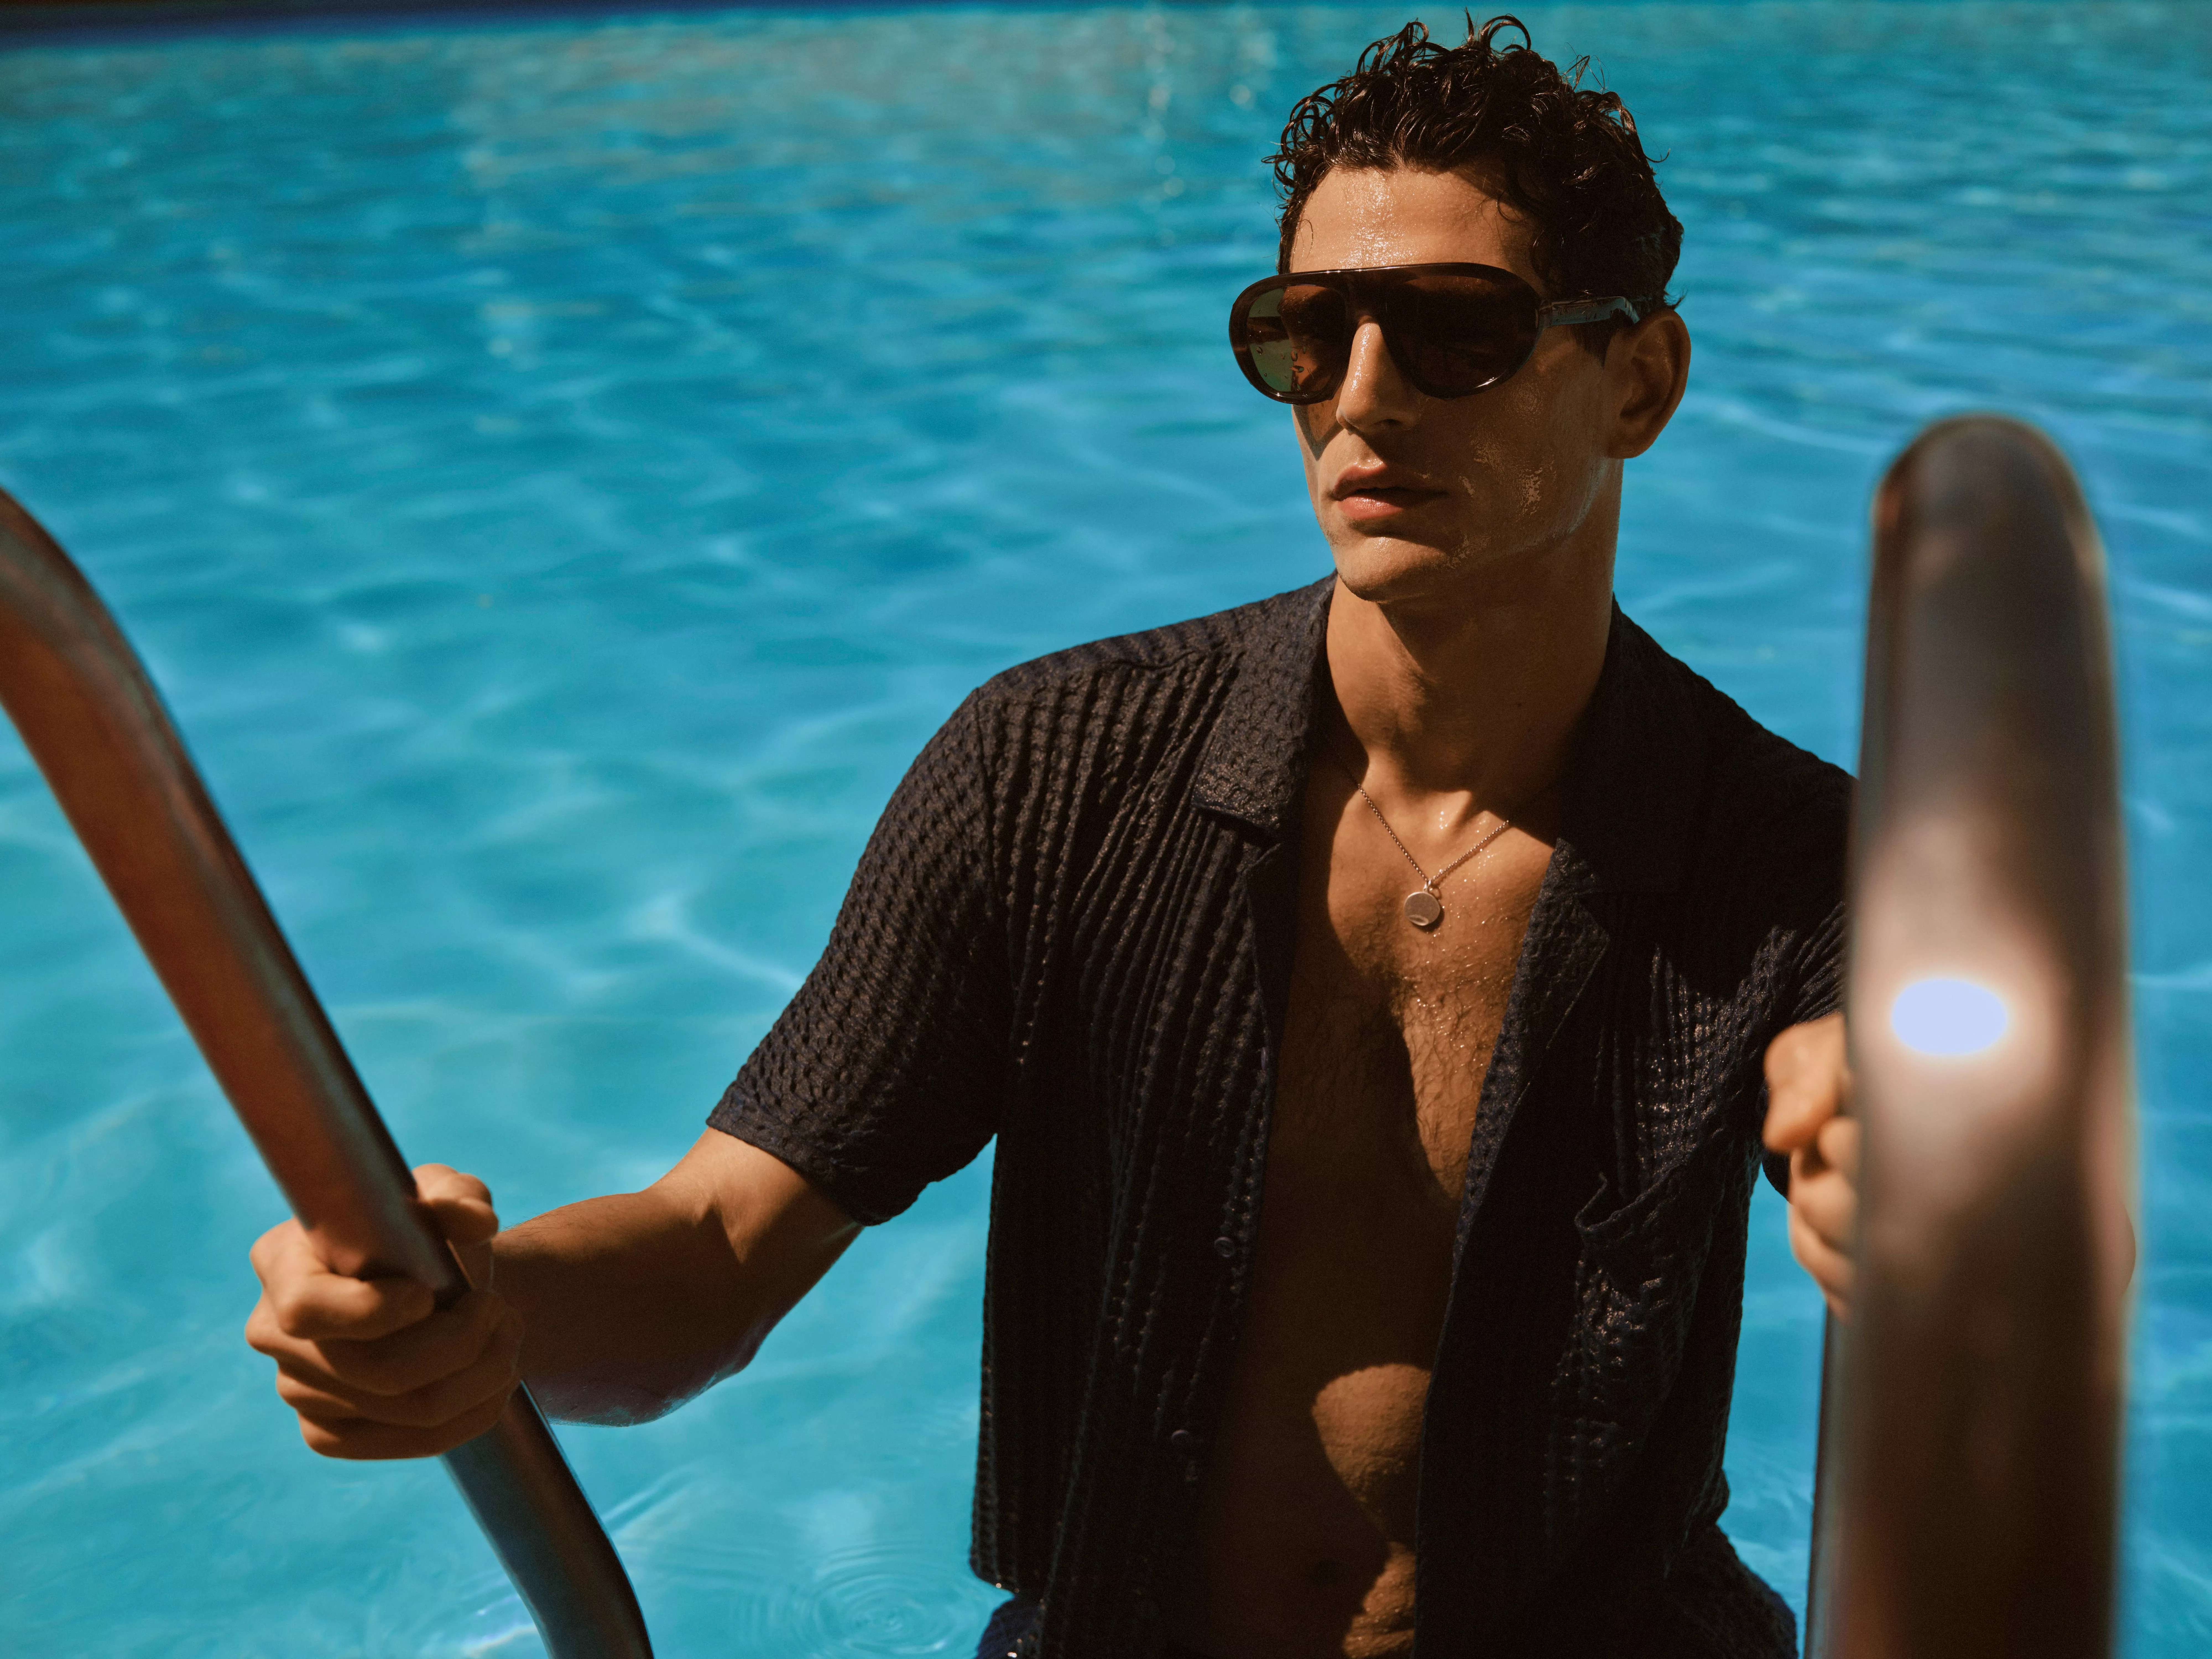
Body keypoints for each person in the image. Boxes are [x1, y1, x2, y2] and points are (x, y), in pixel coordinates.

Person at [244, 19, 1864, 1659]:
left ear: (1641, 382)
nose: (1361, 397)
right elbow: (719, 1251)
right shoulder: (1055, 775)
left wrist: (1921, 1183)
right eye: (1307, 333)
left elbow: (1951, 1194)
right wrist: (476, 1312)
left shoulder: (1787, 864)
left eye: (1458, 331)